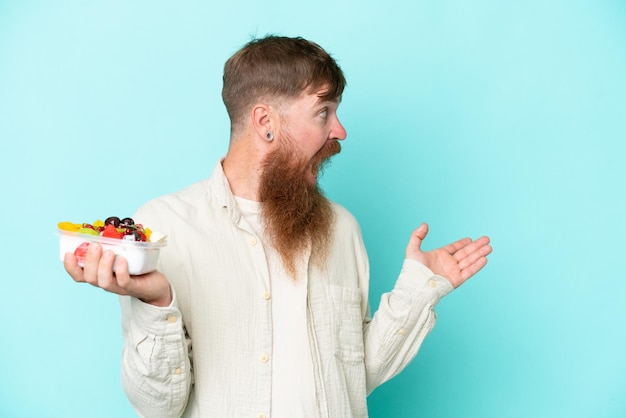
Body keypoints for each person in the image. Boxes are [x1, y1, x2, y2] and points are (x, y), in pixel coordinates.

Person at [64, 35, 492, 418]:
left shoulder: (342, 229)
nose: (339, 130)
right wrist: (158, 303)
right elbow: (158, 409)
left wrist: (421, 288)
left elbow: (352, 379)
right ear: (266, 122)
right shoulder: (163, 228)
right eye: (323, 112)